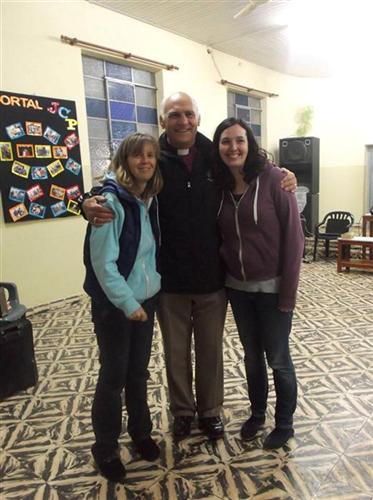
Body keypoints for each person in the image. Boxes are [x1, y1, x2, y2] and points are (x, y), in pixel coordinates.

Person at [82, 92, 297, 442]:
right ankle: (182, 412)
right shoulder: (154, 156)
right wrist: (84, 202)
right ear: (162, 119)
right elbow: (114, 181)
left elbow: (252, 165)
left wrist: (285, 174)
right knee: (175, 354)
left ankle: (211, 412)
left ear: (198, 118)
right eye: (174, 114)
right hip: (168, 281)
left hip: (213, 278)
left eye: (188, 114)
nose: (182, 121)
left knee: (210, 352)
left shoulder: (215, 154)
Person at [213, 118, 304, 449]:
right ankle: (257, 415)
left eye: (239, 140)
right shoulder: (219, 185)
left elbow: (295, 241)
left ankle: (285, 423)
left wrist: (288, 293)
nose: (233, 147)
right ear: (218, 147)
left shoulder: (277, 180)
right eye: (225, 141)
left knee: (278, 358)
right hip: (238, 288)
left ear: (249, 143)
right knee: (252, 357)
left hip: (273, 289)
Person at [83, 133, 163, 483]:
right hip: (116, 307)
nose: (145, 161)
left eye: (150, 155)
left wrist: (146, 295)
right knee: (113, 377)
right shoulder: (110, 202)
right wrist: (129, 304)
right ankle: (105, 448)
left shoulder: (145, 198)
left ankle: (141, 433)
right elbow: (104, 265)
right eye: (137, 156)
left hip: (144, 301)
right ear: (124, 160)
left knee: (138, 373)